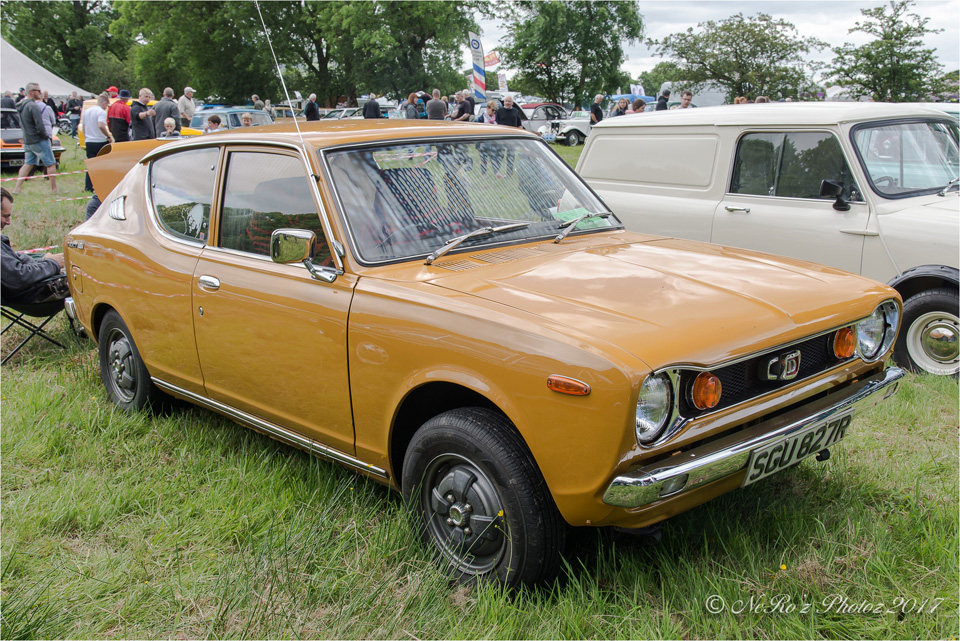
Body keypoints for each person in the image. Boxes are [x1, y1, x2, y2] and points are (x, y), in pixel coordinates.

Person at [1, 187, 66, 302]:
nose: (8, 222)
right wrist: (53, 263)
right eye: (5, 216)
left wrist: (43, 259)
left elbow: (13, 259)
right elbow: (20, 277)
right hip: (33, 293)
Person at [11, 83, 58, 195]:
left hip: (27, 139)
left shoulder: (21, 105)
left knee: (28, 163)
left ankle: (17, 188)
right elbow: (40, 125)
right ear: (32, 92)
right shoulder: (33, 106)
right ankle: (54, 189)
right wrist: (45, 136)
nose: (40, 93)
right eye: (38, 91)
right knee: (51, 163)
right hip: (38, 139)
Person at [81, 93, 111, 192]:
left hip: (89, 140)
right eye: (106, 105)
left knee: (91, 165)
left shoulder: (86, 111)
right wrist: (108, 136)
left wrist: (86, 137)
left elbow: (84, 127)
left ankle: (88, 186)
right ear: (104, 103)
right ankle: (101, 185)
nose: (106, 108)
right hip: (100, 140)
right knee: (102, 165)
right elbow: (101, 125)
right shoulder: (101, 112)